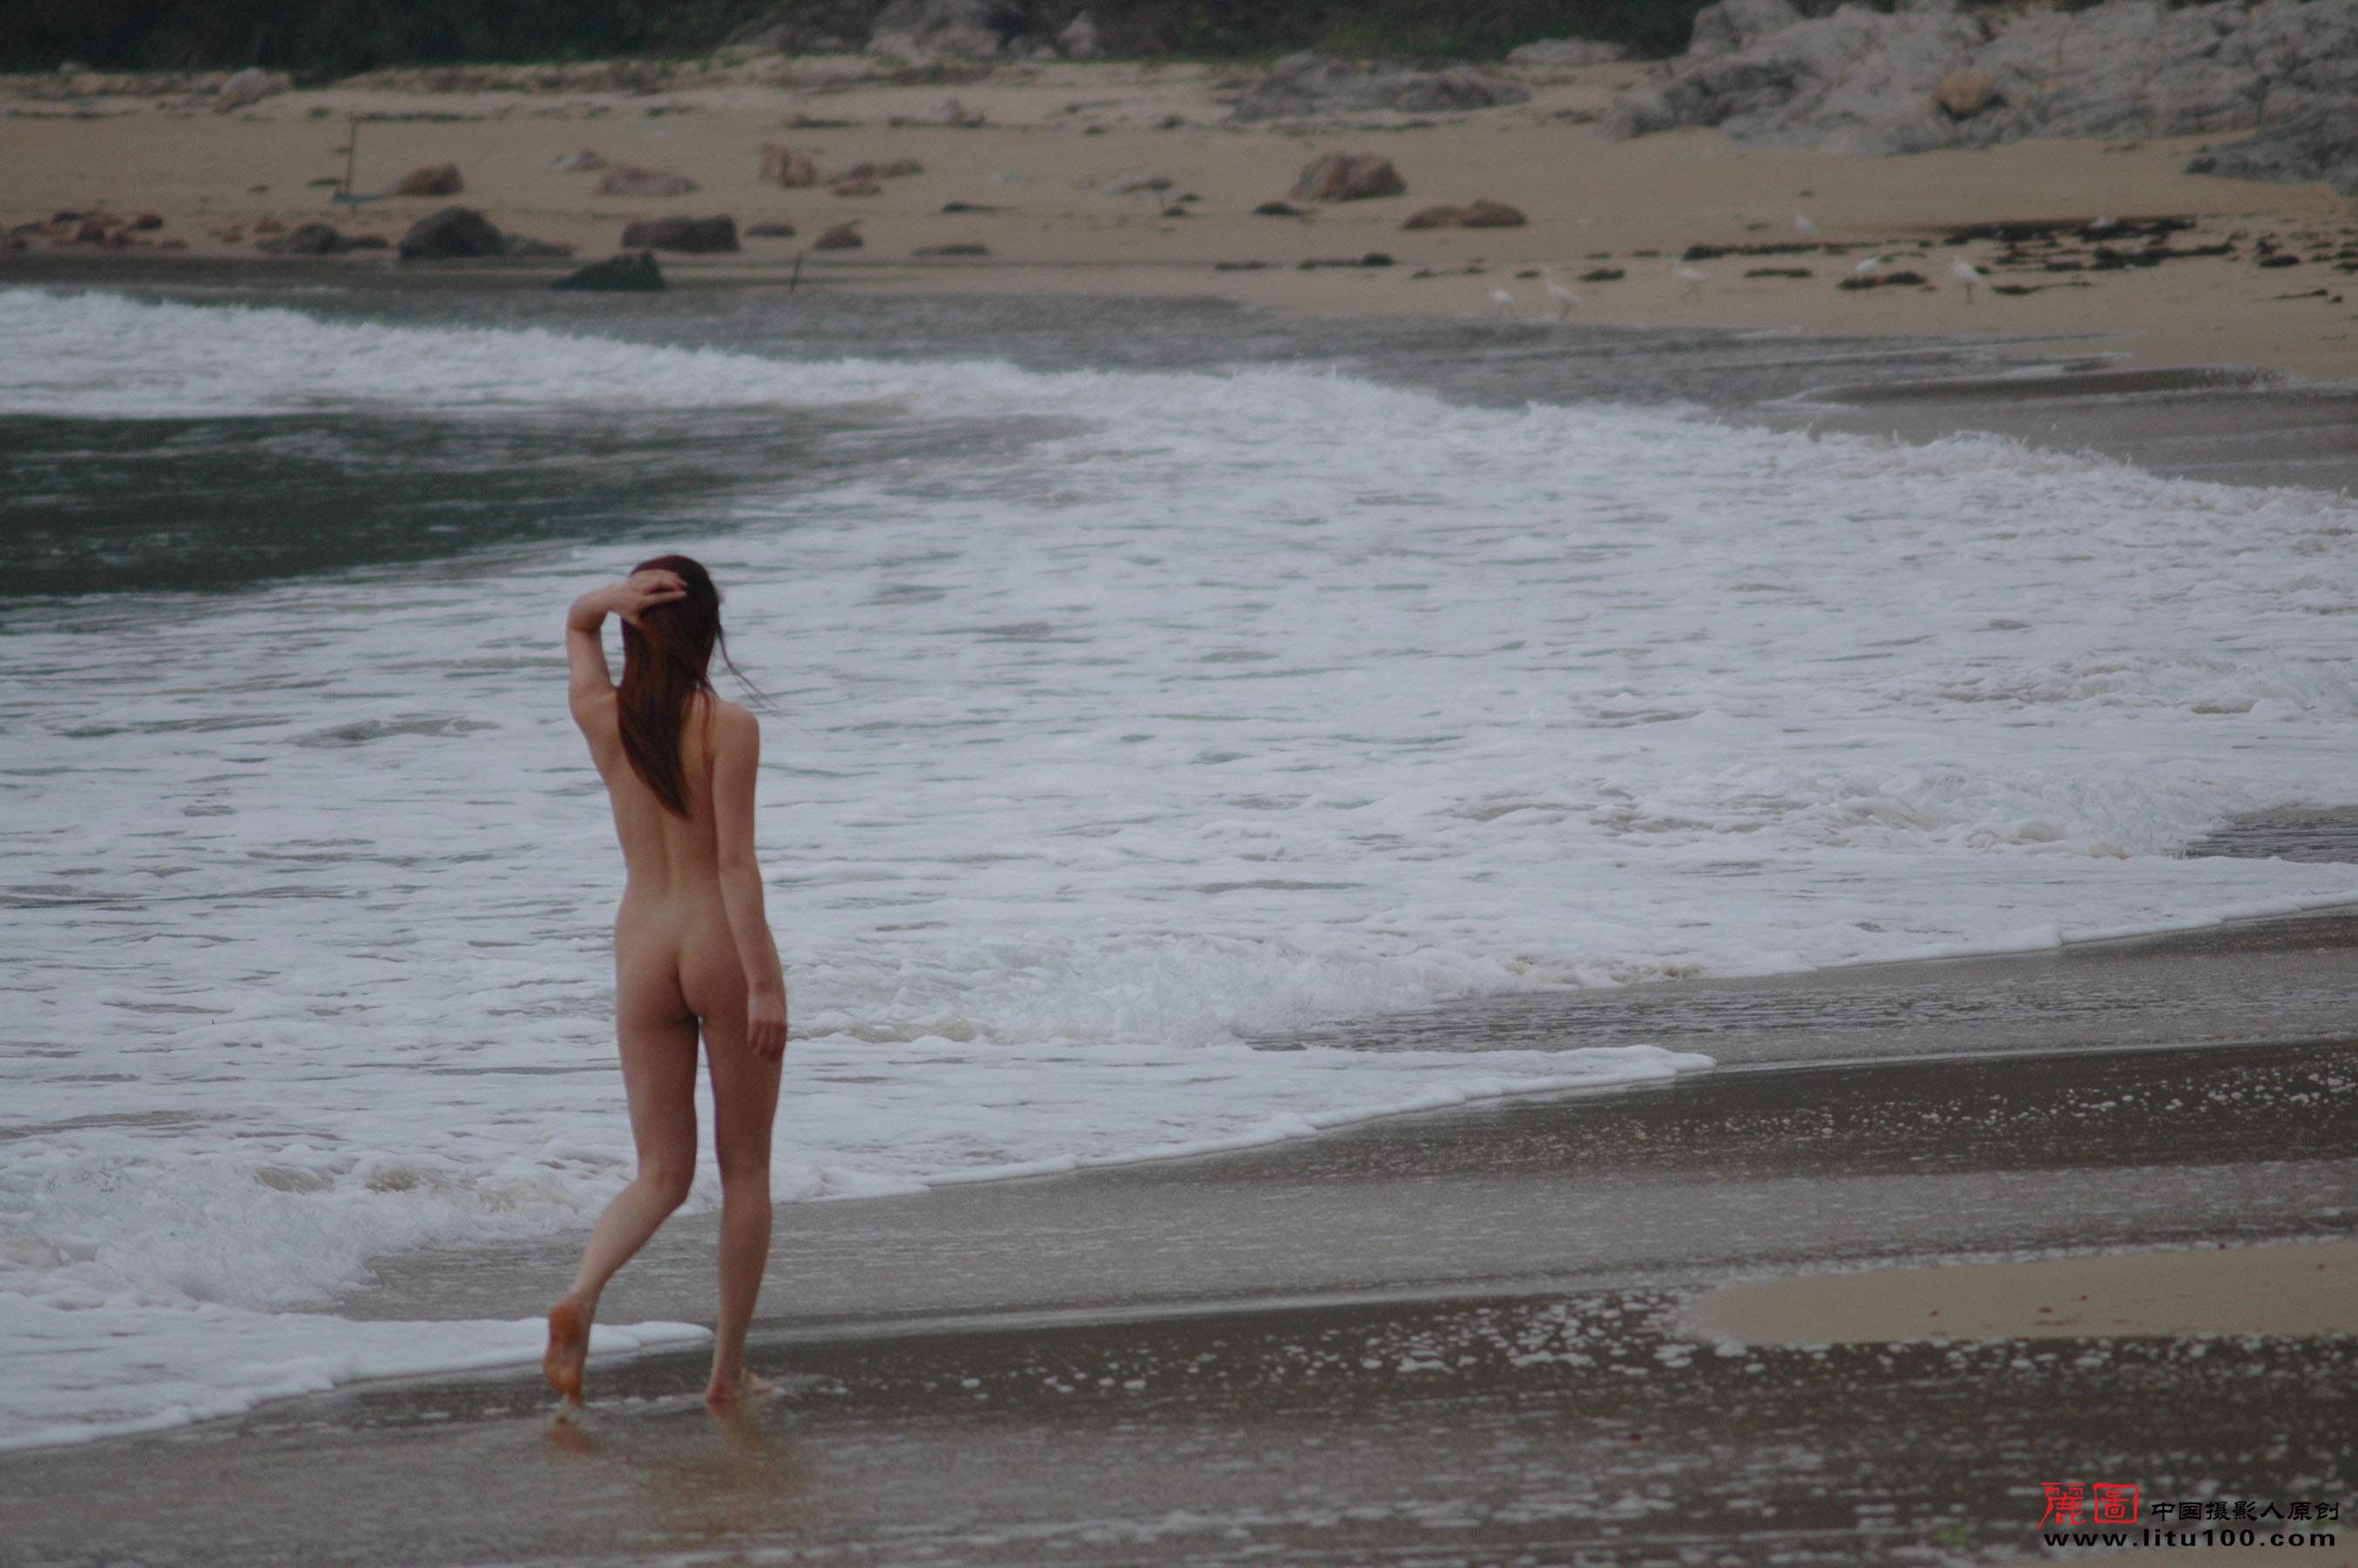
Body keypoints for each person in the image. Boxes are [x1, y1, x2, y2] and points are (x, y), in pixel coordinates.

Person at [543, 557, 788, 1411]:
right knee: (745, 1171)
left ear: (633, 629)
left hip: (642, 949)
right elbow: (734, 864)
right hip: (716, 946)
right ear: (709, 630)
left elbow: (575, 624)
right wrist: (764, 983)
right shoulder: (728, 725)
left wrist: (606, 603)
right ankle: (728, 1374)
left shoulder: (602, 717)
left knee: (659, 1172)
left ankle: (582, 1293)